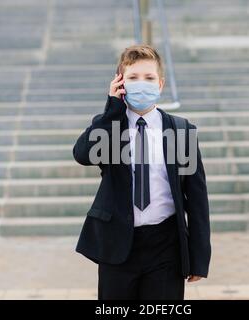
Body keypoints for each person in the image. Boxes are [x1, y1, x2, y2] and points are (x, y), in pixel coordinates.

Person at [73, 44, 211, 300]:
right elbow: (83, 155)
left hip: (165, 245)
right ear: (120, 83)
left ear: (160, 84)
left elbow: (197, 197)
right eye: (133, 77)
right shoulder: (110, 125)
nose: (142, 83)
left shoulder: (181, 132)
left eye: (148, 78)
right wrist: (112, 108)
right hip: (118, 245)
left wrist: (199, 256)